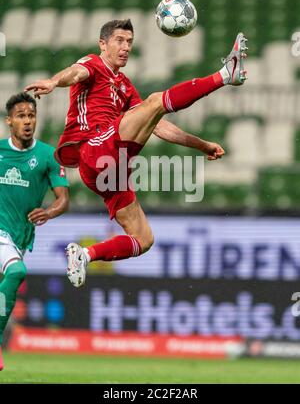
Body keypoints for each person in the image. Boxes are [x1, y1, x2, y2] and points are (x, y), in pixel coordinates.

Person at [24, 19, 248, 289]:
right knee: (155, 102)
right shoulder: (94, 63)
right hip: (93, 148)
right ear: (102, 44)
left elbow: (158, 125)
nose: (126, 47)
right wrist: (53, 81)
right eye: (119, 40)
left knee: (143, 239)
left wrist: (201, 145)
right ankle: (225, 75)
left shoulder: (125, 85)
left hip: (110, 169)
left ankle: (84, 255)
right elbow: (75, 73)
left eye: (129, 42)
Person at [0, 92, 69, 370]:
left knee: (11, 280)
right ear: (9, 121)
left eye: (31, 115)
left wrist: (49, 212)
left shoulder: (48, 155)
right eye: (21, 116)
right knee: (16, 272)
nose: (27, 121)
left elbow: (63, 199)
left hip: (19, 238)